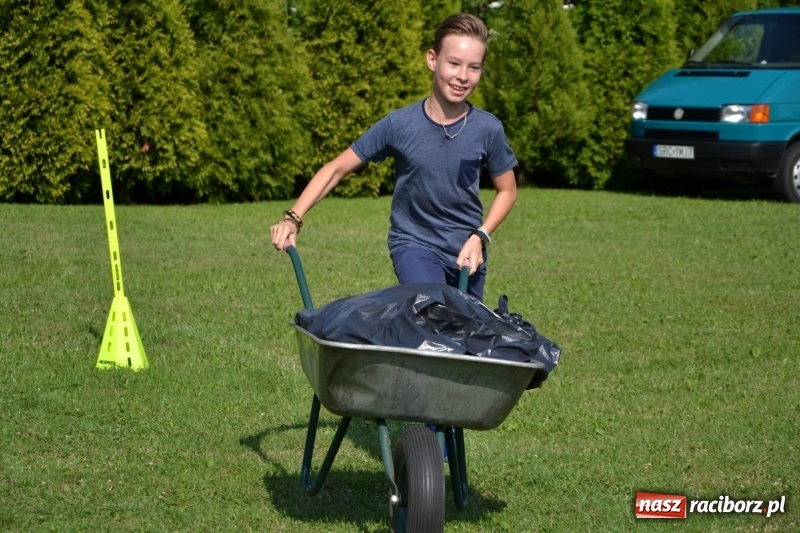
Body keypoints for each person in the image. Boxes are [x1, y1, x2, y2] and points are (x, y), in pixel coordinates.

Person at [270, 12, 517, 302]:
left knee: (464, 328)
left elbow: (507, 190)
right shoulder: (399, 125)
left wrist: (481, 236)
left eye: (473, 67)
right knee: (435, 309)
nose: (463, 76)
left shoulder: (487, 129)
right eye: (454, 63)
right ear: (432, 60)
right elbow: (337, 169)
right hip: (415, 246)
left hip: (468, 252)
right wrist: (293, 218)